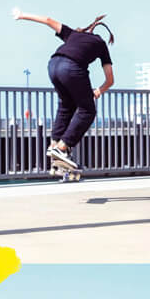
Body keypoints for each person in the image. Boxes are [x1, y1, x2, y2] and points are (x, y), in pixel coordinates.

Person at [13, 9, 115, 177]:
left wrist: (22, 15)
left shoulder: (72, 34)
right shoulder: (101, 44)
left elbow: (47, 19)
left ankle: (54, 145)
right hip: (71, 68)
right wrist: (98, 91)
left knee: (66, 105)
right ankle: (62, 147)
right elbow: (110, 79)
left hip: (53, 65)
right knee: (87, 110)